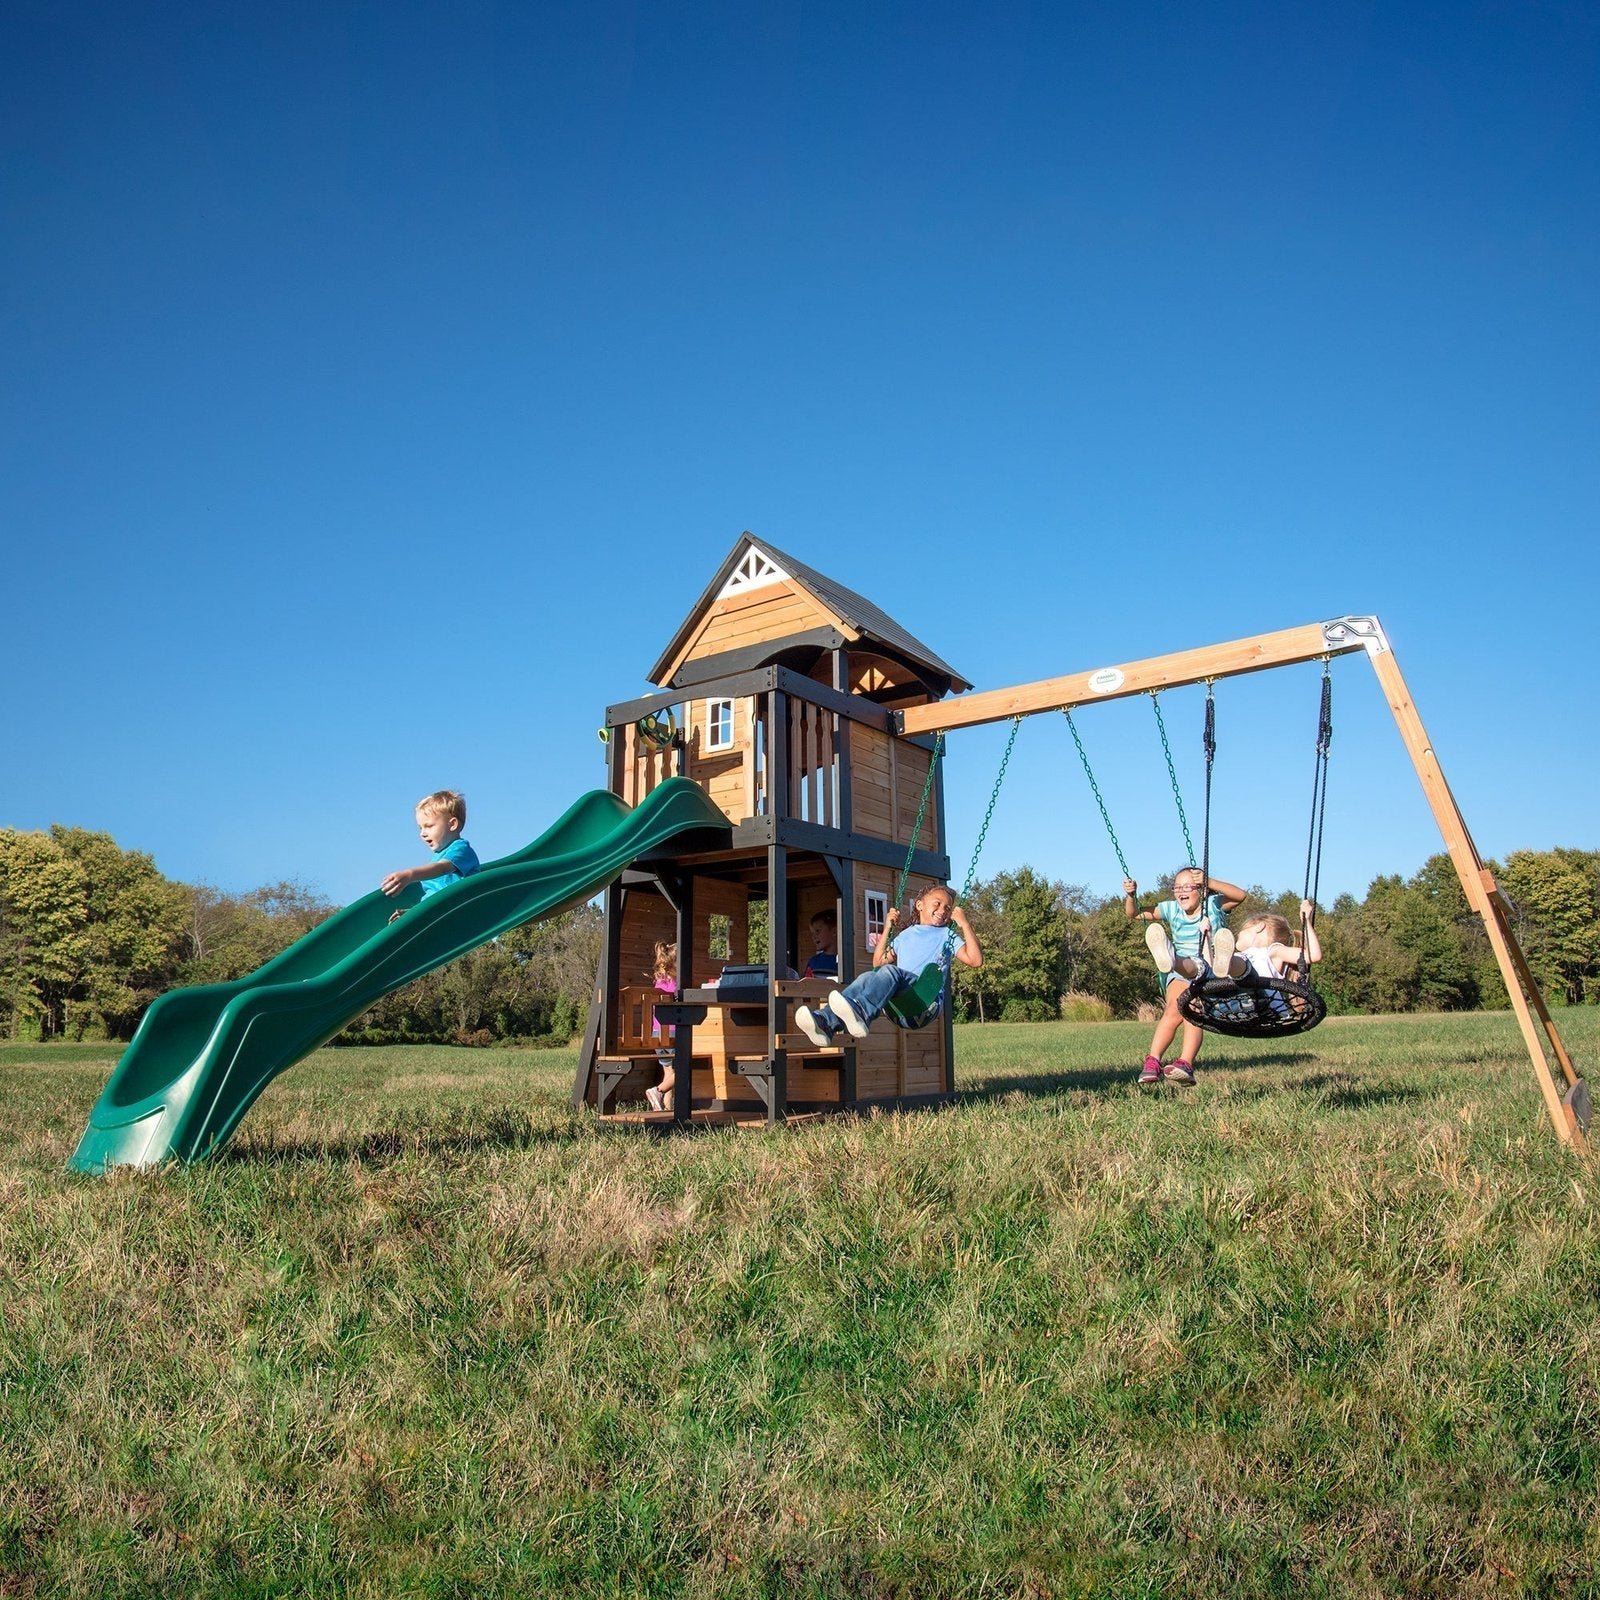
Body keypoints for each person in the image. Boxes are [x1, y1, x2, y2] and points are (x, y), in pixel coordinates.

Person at [794, 884, 981, 1045]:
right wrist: (887, 928)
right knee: (867, 976)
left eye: (947, 908)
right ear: (920, 905)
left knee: (891, 971)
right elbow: (878, 962)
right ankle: (825, 1022)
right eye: (937, 904)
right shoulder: (905, 935)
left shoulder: (946, 935)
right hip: (899, 1006)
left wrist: (964, 924)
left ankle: (863, 1012)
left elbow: (975, 960)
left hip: (925, 1002)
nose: (942, 910)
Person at [1123, 866, 1246, 1086]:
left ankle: (1185, 1064)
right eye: (1177, 887)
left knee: (1194, 1011)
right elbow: (1134, 914)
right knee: (1173, 1009)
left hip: (1211, 969)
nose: (1181, 892)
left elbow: (1240, 895)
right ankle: (1153, 1061)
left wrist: (1210, 881)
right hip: (1180, 972)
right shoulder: (1171, 908)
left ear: (1201, 889)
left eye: (1187, 887)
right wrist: (1131, 896)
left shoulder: (1213, 905)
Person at [382, 790, 481, 919]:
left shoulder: (460, 849)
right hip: (439, 911)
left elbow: (443, 868)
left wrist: (410, 874)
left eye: (428, 826)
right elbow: (433, 893)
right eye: (420, 828)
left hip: (457, 910)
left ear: (452, 824)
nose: (422, 833)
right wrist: (413, 912)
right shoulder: (438, 856)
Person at [1219, 902, 1322, 1011]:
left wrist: (1306, 921)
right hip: (1235, 1005)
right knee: (1212, 972)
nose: (1238, 934)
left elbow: (1313, 955)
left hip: (1264, 1006)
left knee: (1242, 966)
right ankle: (1218, 965)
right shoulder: (1240, 954)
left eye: (1242, 931)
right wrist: (1207, 937)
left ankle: (1231, 963)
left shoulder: (1273, 951)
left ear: (1259, 927)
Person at [645, 941, 678, 1112]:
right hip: (673, 1033)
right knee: (685, 1067)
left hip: (657, 1033)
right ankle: (657, 1091)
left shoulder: (659, 981)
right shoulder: (677, 983)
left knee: (669, 1073)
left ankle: (665, 1109)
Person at [802, 908, 839, 980]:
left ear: (834, 931)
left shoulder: (844, 961)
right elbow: (807, 984)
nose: (813, 937)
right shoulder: (813, 961)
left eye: (817, 931)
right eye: (812, 933)